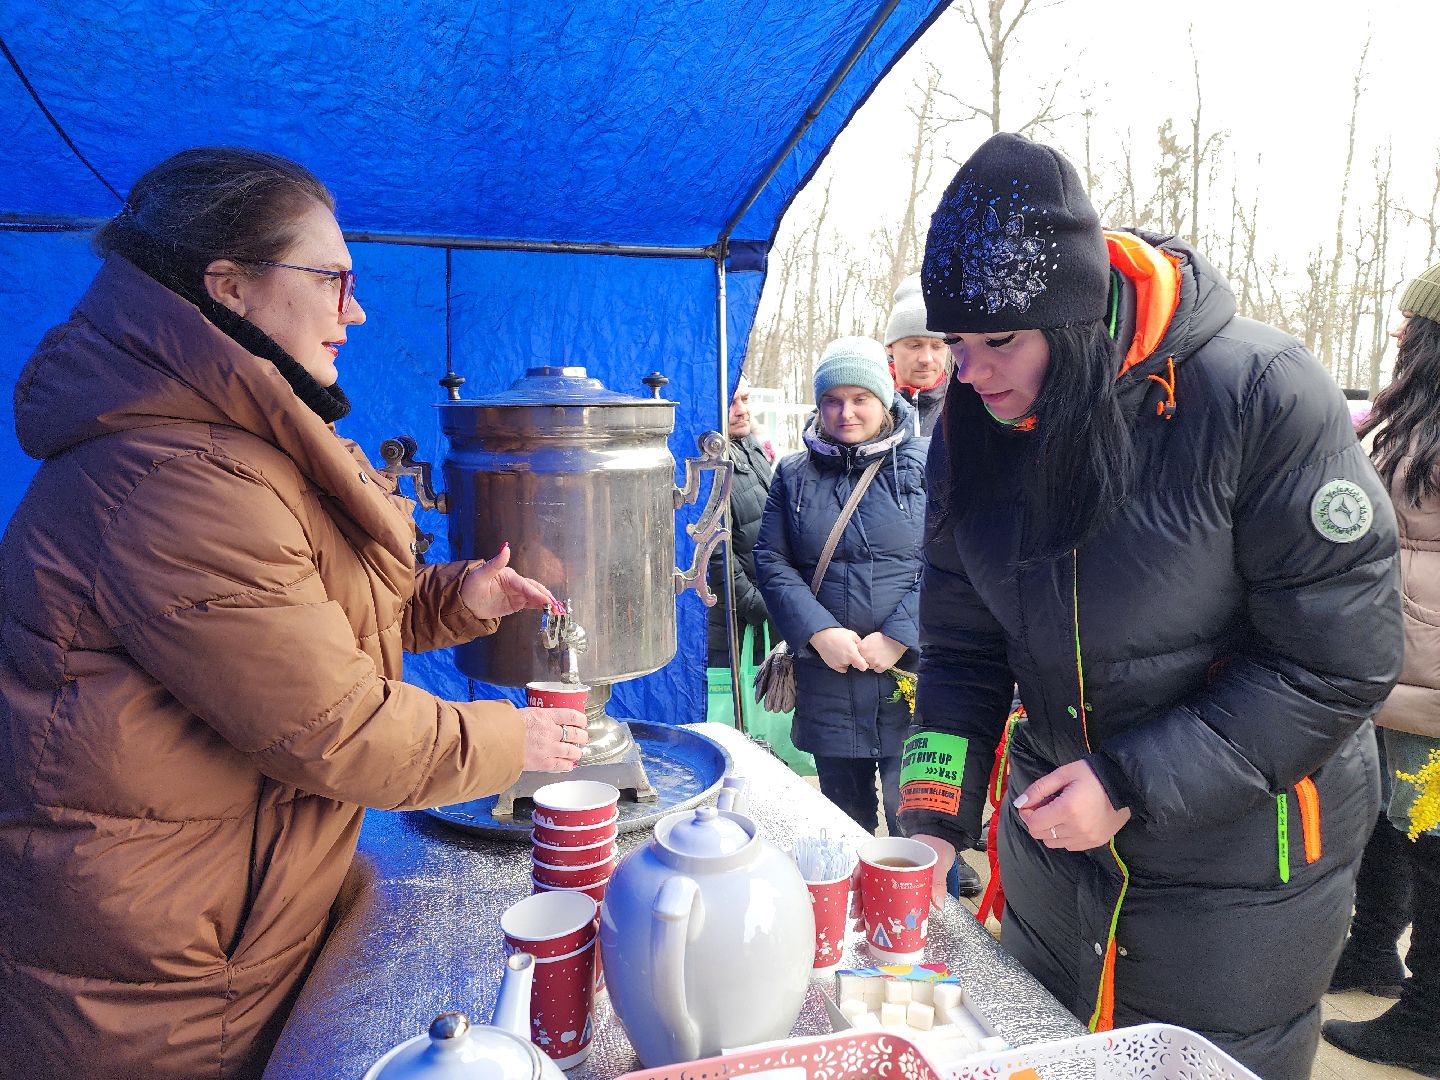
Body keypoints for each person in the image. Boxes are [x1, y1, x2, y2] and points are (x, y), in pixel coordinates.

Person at [0, 147, 588, 1080]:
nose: (355, 311)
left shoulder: (229, 438)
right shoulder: (176, 478)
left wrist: (453, 599)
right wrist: (519, 743)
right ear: (228, 287)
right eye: (333, 280)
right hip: (159, 989)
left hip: (215, 917)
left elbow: (296, 622)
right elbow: (334, 724)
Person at [898, 133, 1402, 1080]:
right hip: (1054, 844)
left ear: (1080, 319)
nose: (971, 374)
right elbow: (960, 648)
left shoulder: (1257, 394)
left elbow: (1340, 660)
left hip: (1242, 864)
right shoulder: (974, 422)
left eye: (999, 341)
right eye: (955, 346)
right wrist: (933, 816)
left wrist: (1129, 783)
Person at [1322, 263, 1440, 1077]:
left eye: (1409, 321)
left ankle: (1428, 1021)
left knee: (1432, 838)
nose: (1395, 332)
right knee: (1394, 824)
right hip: (1400, 676)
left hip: (1425, 678)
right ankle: (1371, 954)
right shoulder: (1411, 420)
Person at [756, 337, 941, 847]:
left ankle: (926, 927)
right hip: (829, 681)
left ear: (884, 400)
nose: (846, 412)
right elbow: (771, 560)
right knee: (840, 829)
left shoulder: (928, 464)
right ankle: (851, 926)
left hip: (913, 681)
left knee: (921, 832)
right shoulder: (793, 475)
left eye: (860, 398)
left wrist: (900, 635)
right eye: (832, 400)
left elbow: (954, 559)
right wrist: (818, 633)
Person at [707, 375, 776, 668]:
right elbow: (714, 553)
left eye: (745, 399)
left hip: (764, 619)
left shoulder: (749, 446)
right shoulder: (709, 462)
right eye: (730, 403)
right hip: (734, 629)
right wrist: (760, 606)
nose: (742, 410)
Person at [884, 273, 951, 436]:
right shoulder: (863, 409)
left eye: (937, 346)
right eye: (915, 346)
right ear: (890, 346)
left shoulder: (968, 406)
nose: (926, 359)